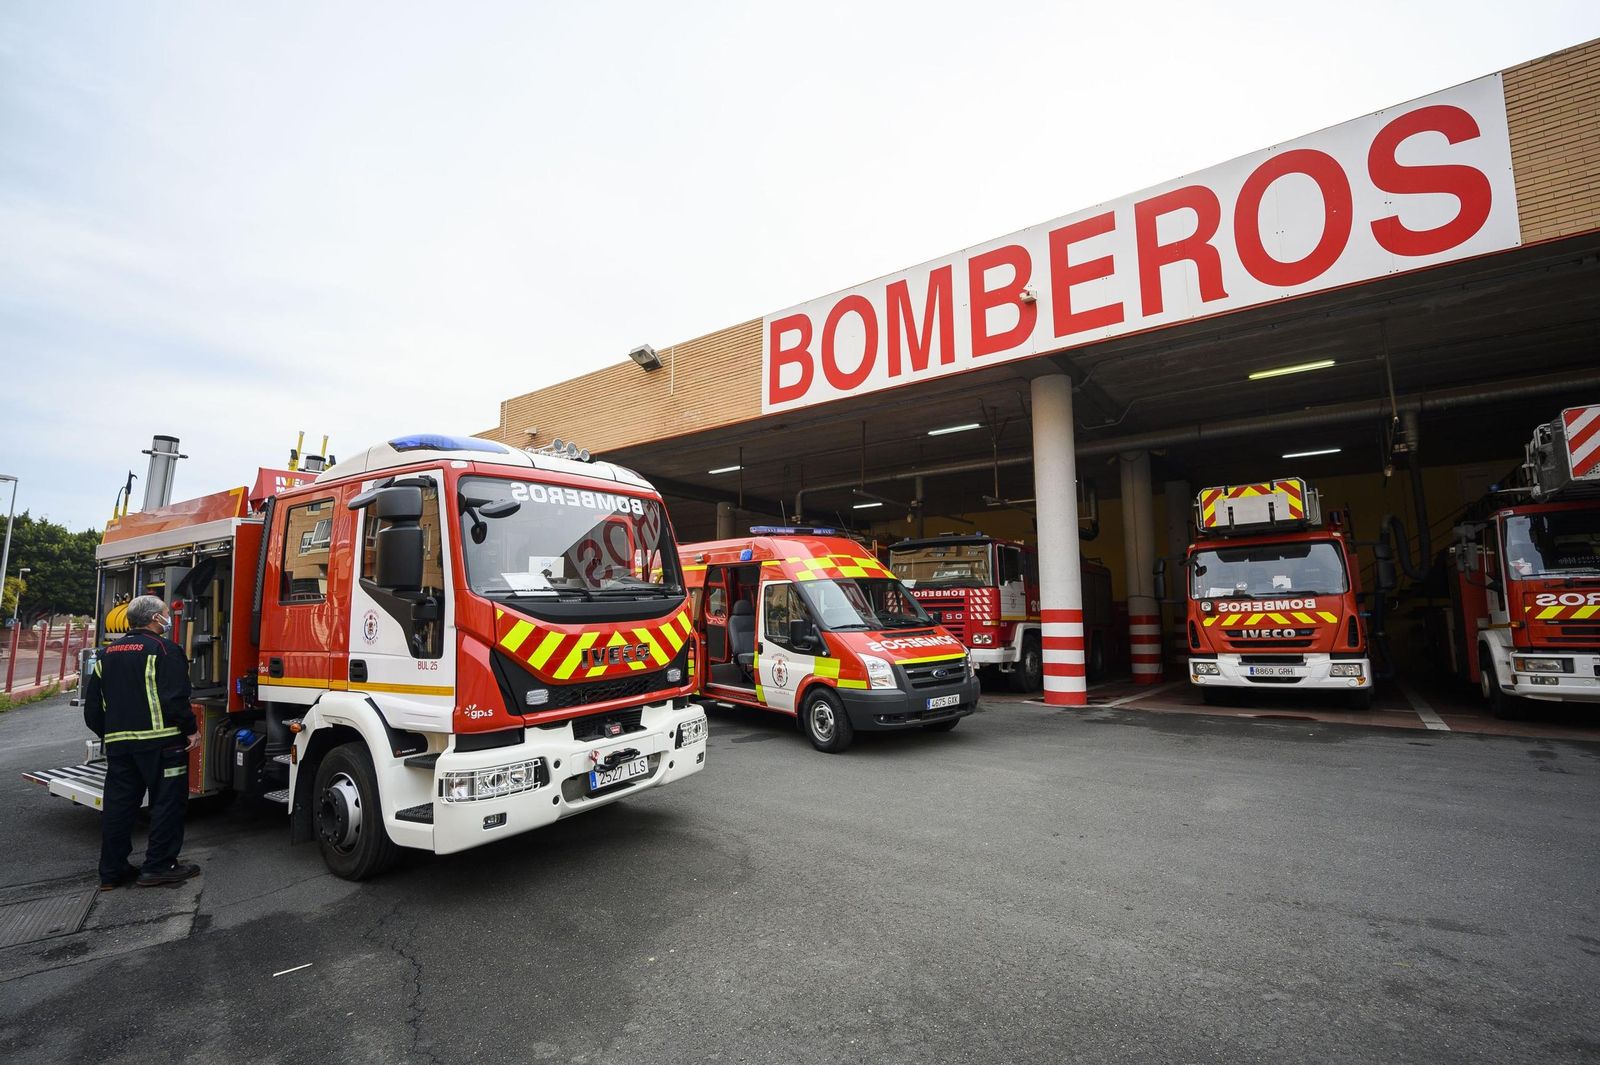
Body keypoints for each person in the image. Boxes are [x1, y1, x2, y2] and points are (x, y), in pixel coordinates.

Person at [82, 595, 201, 889]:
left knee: (119, 808)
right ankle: (159, 866)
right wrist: (190, 730)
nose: (167, 617)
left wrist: (111, 735)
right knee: (167, 804)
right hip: (163, 746)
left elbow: (93, 709)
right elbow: (176, 699)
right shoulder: (164, 650)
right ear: (154, 619)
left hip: (121, 747)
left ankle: (111, 872)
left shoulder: (107, 654)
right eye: (164, 614)